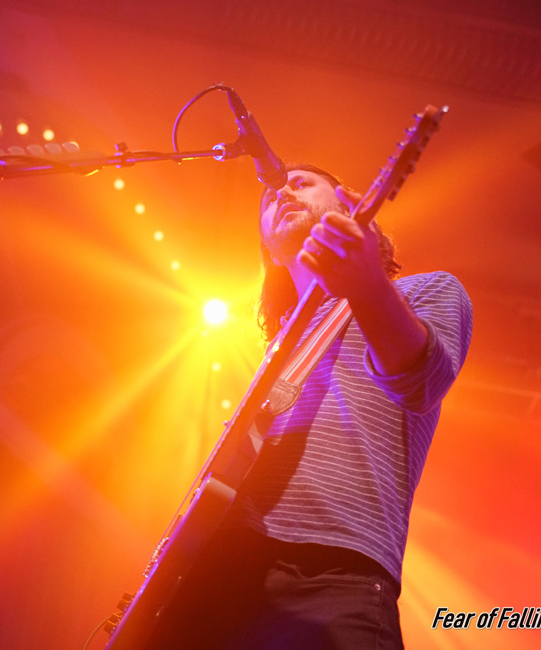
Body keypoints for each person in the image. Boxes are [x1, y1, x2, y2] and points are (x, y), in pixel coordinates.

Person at [148, 163, 472, 650]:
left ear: (349, 206)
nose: (281, 194)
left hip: (333, 573)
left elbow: (423, 383)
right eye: (268, 199)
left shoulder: (426, 290)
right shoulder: (276, 351)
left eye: (301, 184)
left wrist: (364, 283)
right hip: (219, 573)